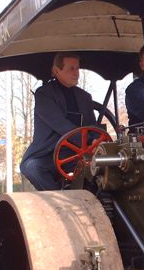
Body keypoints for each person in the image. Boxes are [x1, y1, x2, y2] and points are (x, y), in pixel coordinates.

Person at [20, 52, 100, 190]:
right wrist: (88, 140)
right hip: (47, 155)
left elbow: (92, 126)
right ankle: (59, 201)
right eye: (71, 69)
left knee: (102, 169)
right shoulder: (44, 94)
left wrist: (97, 140)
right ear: (56, 71)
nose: (76, 73)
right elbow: (61, 125)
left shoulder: (84, 97)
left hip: (77, 156)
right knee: (32, 167)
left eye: (77, 68)